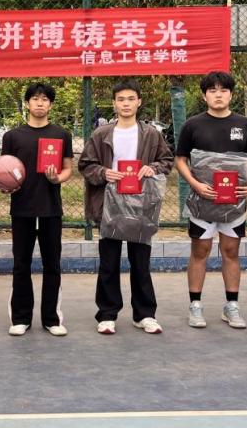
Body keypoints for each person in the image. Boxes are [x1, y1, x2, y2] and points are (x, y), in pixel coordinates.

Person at [78, 79, 173, 335]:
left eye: (131, 99)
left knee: (140, 263)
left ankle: (145, 315)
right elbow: (85, 165)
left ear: (139, 102)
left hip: (141, 205)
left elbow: (166, 160)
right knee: (108, 263)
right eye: (121, 99)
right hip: (109, 204)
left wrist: (152, 168)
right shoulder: (101, 134)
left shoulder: (151, 134)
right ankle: (107, 315)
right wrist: (104, 172)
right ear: (114, 104)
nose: (126, 104)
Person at [174, 71, 247, 329]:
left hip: (234, 202)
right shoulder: (192, 125)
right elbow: (180, 160)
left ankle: (231, 306)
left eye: (223, 90)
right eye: (212, 91)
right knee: (200, 251)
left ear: (231, 94)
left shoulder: (244, 125)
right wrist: (196, 184)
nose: (218, 95)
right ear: (204, 96)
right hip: (203, 201)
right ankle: (195, 306)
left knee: (231, 251)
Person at [1, 83, 73, 336]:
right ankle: (21, 318)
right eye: (35, 98)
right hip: (22, 208)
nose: (40, 103)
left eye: (44, 99)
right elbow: (4, 169)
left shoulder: (61, 134)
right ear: (27, 103)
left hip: (51, 208)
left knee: (52, 264)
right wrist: (5, 185)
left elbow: (68, 168)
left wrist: (57, 178)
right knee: (21, 264)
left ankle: (52, 319)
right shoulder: (12, 136)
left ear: (50, 104)